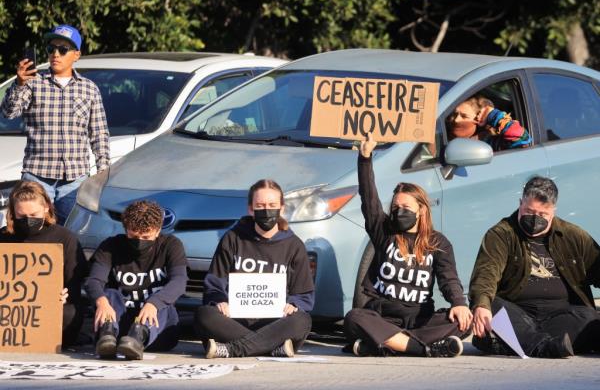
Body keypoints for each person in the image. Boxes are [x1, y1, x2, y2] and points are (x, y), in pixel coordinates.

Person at [343, 133, 472, 358]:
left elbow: (448, 278)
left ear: (421, 209)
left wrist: (459, 303)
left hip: (420, 318)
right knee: (355, 318)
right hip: (382, 316)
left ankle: (383, 344)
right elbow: (369, 198)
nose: (399, 211)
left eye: (406, 206)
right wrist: (365, 158)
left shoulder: (438, 242)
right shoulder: (385, 232)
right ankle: (423, 349)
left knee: (463, 322)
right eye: (395, 206)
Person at [469, 176, 600, 358]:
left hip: (561, 315)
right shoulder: (501, 234)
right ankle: (542, 346)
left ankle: (517, 343)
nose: (534, 219)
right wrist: (481, 305)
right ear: (520, 203)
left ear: (553, 211)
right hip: (518, 313)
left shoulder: (574, 236)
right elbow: (486, 274)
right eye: (529, 211)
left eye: (542, 215)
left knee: (590, 317)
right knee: (492, 306)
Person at [0, 24, 110, 224]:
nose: (55, 54)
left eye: (62, 49)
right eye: (51, 49)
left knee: (71, 234)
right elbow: (8, 112)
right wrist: (19, 84)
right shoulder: (33, 83)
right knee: (33, 233)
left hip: (75, 179)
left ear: (76, 55)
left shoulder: (89, 89)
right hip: (37, 177)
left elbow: (99, 133)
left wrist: (103, 172)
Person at [194, 179, 314, 359]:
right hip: (234, 320)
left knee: (302, 321)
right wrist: (219, 300)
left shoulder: (294, 245)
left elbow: (304, 294)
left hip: (276, 322)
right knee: (204, 315)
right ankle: (272, 348)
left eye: (272, 205)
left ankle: (232, 349)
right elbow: (214, 282)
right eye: (260, 205)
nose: (266, 210)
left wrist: (294, 304)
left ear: (281, 208)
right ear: (250, 209)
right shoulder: (232, 238)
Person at [85, 200, 187, 360]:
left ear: (158, 230)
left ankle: (137, 339)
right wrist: (101, 302)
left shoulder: (170, 245)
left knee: (163, 302)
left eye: (146, 236)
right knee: (109, 294)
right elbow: (94, 280)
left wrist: (154, 303)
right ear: (125, 230)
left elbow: (179, 281)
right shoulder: (111, 246)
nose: (140, 241)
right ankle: (107, 336)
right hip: (119, 319)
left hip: (156, 325)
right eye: (133, 235)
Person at [0, 180, 88, 347]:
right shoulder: (3, 237)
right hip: (9, 310)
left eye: (34, 215)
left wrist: (65, 295)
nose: (28, 221)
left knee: (69, 315)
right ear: (13, 213)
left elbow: (74, 283)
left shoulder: (65, 238)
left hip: (52, 306)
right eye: (21, 216)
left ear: (46, 207)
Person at [446, 95, 531, 151]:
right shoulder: (442, 128)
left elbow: (522, 139)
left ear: (480, 121)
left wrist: (491, 115)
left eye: (464, 116)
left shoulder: (487, 143)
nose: (456, 120)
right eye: (455, 114)